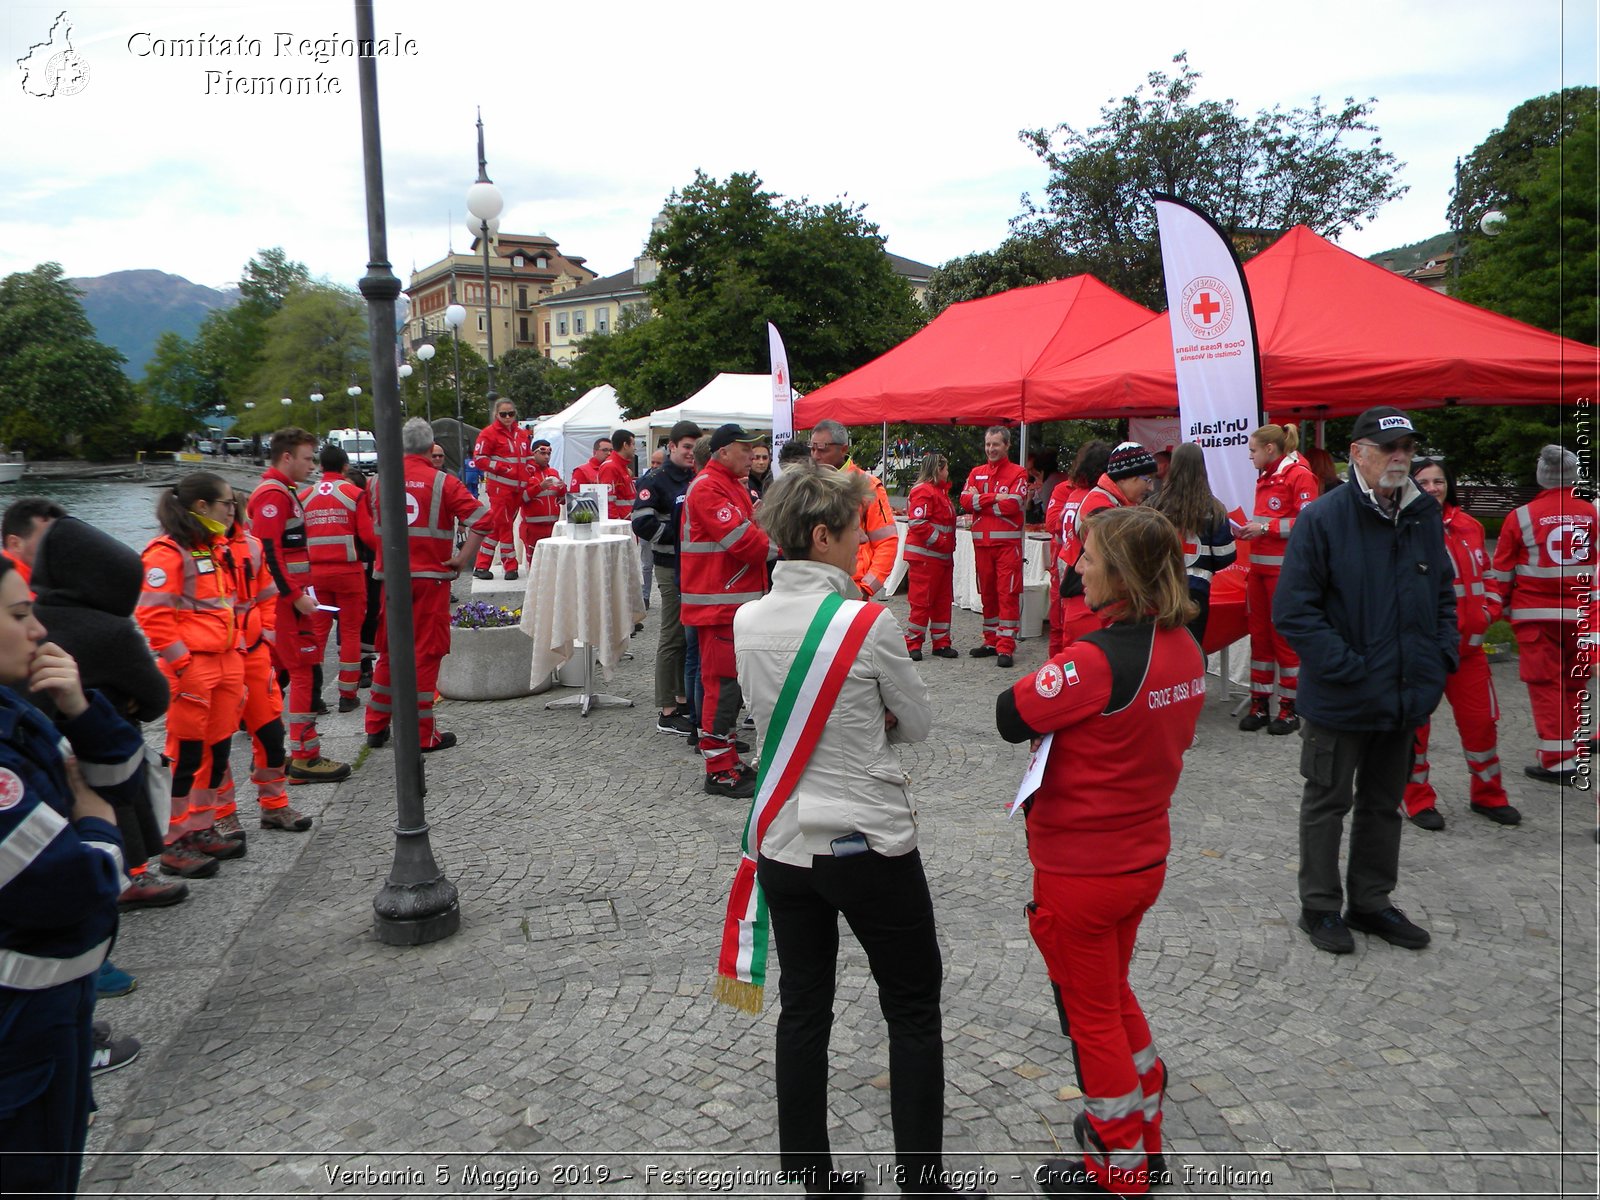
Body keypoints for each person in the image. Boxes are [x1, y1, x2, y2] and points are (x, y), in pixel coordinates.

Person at [726, 467, 977, 1199]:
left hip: (783, 842)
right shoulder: (869, 623)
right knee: (912, 1009)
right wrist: (875, 724)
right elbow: (920, 725)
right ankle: (922, 1186)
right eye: (856, 534)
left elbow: (764, 717)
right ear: (821, 535)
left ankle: (814, 1181)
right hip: (870, 842)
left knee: (804, 1008)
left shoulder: (746, 620)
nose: (867, 545)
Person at [996, 506, 1205, 1198]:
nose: (1077, 566)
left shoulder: (1097, 660)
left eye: (1088, 557)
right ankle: (1144, 1137)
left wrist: (1070, 657)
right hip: (1142, 856)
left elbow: (1010, 713)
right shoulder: (1184, 646)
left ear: (1121, 572)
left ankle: (1121, 1171)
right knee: (1113, 997)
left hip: (1081, 870)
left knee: (1092, 1019)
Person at [1275, 406, 1455, 955]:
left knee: (1382, 804)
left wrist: (1438, 659)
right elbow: (1294, 611)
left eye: (1406, 447)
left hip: (1403, 693)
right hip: (1342, 695)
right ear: (1358, 453)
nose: (1400, 457)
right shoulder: (1324, 517)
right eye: (1388, 447)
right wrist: (1351, 668)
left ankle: (1372, 902)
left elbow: (1443, 596)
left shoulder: (1423, 514)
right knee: (1327, 802)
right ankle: (1320, 908)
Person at [0, 556, 149, 1197]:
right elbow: (72, 885)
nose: (38, 630)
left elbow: (128, 787)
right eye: (18, 615)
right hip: (17, 1030)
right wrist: (97, 827)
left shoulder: (20, 706)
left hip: (53, 1015)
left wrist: (81, 708)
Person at [31, 517, 179, 908]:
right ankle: (130, 877)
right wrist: (124, 698)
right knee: (119, 800)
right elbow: (155, 699)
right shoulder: (109, 630)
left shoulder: (29, 620)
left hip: (41, 764)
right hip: (100, 752)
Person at [135, 472, 250, 881]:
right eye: (226, 505)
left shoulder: (212, 548)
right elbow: (152, 616)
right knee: (184, 756)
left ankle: (200, 827)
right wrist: (183, 665)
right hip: (194, 667)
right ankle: (174, 842)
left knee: (216, 752)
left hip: (222, 662)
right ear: (202, 507)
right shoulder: (167, 552)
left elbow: (224, 605)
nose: (232, 510)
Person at [364, 418, 491, 752]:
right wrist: (463, 559)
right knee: (425, 654)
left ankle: (375, 727)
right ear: (429, 445)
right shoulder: (443, 483)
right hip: (429, 581)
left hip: (390, 580)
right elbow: (483, 520)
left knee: (390, 653)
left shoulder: (376, 482)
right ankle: (421, 735)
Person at [1403, 459, 1518, 829]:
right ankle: (1416, 798)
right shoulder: (1401, 527)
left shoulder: (1469, 525)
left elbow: (1488, 576)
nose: (1433, 487)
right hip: (1423, 653)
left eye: (1439, 481)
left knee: (1481, 725)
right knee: (1416, 729)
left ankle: (1488, 795)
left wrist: (1490, 610)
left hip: (1469, 651)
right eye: (1424, 481)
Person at [247, 428, 350, 784]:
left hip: (286, 600)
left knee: (278, 673)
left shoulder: (282, 492)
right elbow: (269, 551)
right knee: (303, 669)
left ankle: (272, 752)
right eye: (307, 458)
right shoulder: (273, 495)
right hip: (286, 604)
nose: (312, 465)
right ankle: (305, 755)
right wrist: (297, 597)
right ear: (287, 457)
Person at [1489, 445, 1596, 785]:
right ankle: (1573, 745)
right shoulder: (1592, 514)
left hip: (1536, 617)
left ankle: (1556, 760)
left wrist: (1501, 609)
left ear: (1541, 476)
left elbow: (1502, 572)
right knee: (1575, 682)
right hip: (1583, 616)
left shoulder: (1520, 517)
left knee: (1545, 684)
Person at [681, 423, 769, 798]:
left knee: (731, 687)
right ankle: (718, 770)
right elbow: (746, 543)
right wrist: (780, 540)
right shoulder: (709, 486)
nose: (752, 455)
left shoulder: (728, 483)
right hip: (718, 605)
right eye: (744, 448)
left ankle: (728, 760)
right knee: (721, 686)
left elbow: (751, 532)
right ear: (722, 452)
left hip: (731, 603)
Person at [221, 510, 312, 837]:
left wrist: (267, 633)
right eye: (222, 503)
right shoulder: (184, 550)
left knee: (272, 735)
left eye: (231, 503)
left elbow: (266, 594)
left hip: (253, 654)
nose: (229, 510)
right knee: (215, 745)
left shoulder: (251, 546)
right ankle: (223, 813)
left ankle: (274, 806)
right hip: (215, 658)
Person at [1236, 423, 1319, 736]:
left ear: (1270, 449)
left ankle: (1289, 707)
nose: (1249, 456)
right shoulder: (1267, 475)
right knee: (1259, 636)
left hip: (1284, 574)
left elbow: (1309, 523)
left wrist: (1266, 530)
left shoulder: (1299, 475)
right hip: (1258, 572)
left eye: (1253, 450)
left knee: (1283, 638)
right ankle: (1259, 701)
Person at [632, 420, 701, 737]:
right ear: (671, 447)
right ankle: (667, 710)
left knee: (690, 636)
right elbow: (641, 522)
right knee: (673, 633)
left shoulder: (695, 476)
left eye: (694, 447)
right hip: (669, 564)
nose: (691, 452)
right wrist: (678, 536)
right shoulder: (656, 480)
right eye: (686, 446)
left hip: (694, 565)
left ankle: (683, 699)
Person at [300, 445, 377, 713]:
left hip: (315, 575)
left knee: (317, 635)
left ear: (321, 466)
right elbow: (367, 536)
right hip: (348, 572)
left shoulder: (305, 496)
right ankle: (348, 694)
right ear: (345, 467)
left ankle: (312, 695)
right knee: (351, 632)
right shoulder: (354, 493)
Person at [1057, 443, 1156, 648]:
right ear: (1126, 477)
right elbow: (1121, 560)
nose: (1150, 487)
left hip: (1091, 599)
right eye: (1147, 480)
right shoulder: (1101, 507)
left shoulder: (1110, 501)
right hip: (1088, 603)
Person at [1148, 443, 1236, 645]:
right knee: (1192, 652)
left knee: (1162, 649)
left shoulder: (1154, 505)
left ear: (1174, 466)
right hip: (1197, 591)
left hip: (1162, 589)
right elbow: (1226, 555)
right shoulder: (1214, 509)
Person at [960, 426, 1030, 667]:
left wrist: (981, 501)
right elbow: (965, 501)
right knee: (987, 594)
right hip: (982, 545)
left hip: (1007, 547)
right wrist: (995, 499)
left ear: (1007, 445)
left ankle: (1006, 646)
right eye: (988, 444)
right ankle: (990, 641)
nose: (991, 449)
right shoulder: (976, 472)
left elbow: (1013, 504)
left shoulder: (1018, 472)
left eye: (996, 444)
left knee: (1006, 595)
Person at [808, 420, 898, 601]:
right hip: (812, 586)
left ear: (843, 449)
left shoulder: (867, 485)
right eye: (812, 448)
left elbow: (887, 543)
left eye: (823, 449)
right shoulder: (805, 483)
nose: (816, 455)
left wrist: (865, 589)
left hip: (851, 589)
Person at [1046, 442, 1112, 657]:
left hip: (1066, 566)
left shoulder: (1075, 495)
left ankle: (1054, 670)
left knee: (1061, 627)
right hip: (1080, 574)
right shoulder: (1096, 498)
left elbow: (1056, 525)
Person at [904, 453, 958, 661]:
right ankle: (913, 643)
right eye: (945, 469)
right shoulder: (924, 491)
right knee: (922, 601)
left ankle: (941, 642)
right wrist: (941, 541)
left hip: (940, 557)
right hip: (927, 557)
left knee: (942, 601)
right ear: (938, 469)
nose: (947, 472)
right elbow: (918, 523)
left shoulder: (938, 492)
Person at [471, 399, 530, 581]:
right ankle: (510, 567)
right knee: (504, 526)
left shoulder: (521, 434)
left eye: (510, 414)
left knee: (497, 526)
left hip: (517, 489)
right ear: (496, 415)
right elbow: (479, 459)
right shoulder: (488, 434)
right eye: (503, 414)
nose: (507, 417)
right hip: (499, 489)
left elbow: (527, 457)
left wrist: (530, 470)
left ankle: (481, 565)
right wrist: (501, 467)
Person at [520, 438, 566, 564]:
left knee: (552, 563)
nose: (546, 457)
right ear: (533, 453)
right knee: (535, 564)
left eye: (549, 454)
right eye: (543, 453)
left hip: (552, 527)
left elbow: (562, 500)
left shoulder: (553, 473)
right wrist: (540, 487)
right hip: (533, 528)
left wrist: (563, 488)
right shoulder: (526, 473)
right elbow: (521, 498)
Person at [1, 497, 66, 584]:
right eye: (48, 540)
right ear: (15, 544)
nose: (59, 547)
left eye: (61, 539)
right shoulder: (15, 590)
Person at [597, 427, 638, 520]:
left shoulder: (621, 466)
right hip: (622, 523)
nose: (635, 448)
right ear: (625, 445)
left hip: (628, 521)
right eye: (633, 444)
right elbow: (608, 501)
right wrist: (617, 525)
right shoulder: (610, 467)